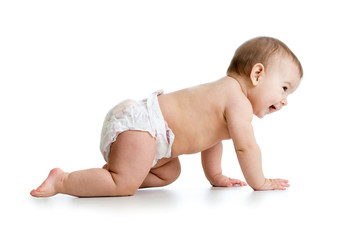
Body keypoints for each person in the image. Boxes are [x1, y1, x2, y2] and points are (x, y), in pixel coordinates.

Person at [30, 36, 303, 198]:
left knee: (170, 173)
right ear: (257, 75)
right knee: (123, 186)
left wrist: (216, 175)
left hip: (153, 141)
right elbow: (246, 147)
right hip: (142, 127)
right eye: (284, 88)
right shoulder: (237, 102)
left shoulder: (227, 97)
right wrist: (261, 182)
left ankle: (116, 172)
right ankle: (63, 180)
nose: (284, 101)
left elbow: (212, 140)